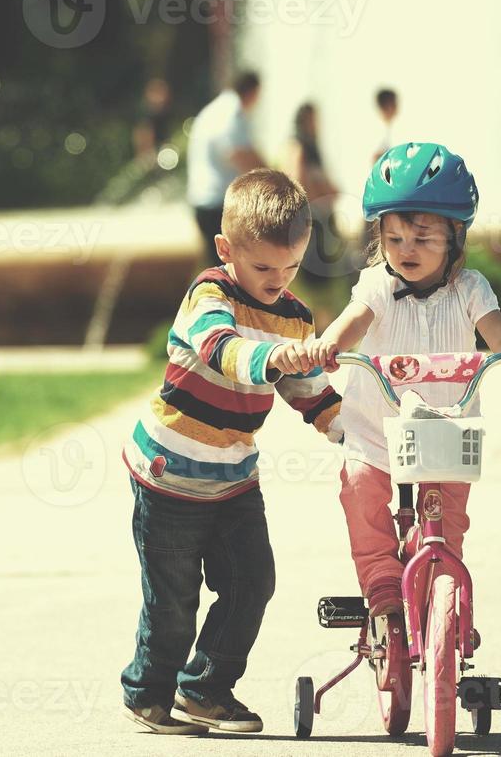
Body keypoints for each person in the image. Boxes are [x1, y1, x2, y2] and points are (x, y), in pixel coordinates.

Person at [296, 143, 501, 625]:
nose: (406, 250)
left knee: (448, 519)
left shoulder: (470, 289)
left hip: (445, 433)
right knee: (359, 487)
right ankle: (381, 585)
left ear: (455, 236)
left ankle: (442, 579)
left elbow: (500, 333)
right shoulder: (376, 284)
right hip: (376, 432)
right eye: (393, 239)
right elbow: (352, 322)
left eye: (421, 238)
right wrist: (326, 345)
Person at [122, 169, 345, 736]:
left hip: (233, 476)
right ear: (226, 250)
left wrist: (345, 426)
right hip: (169, 473)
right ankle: (148, 692)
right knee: (174, 599)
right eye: (264, 267)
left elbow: (309, 390)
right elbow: (221, 348)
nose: (277, 280)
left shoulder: (295, 317)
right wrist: (271, 361)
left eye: (290, 267)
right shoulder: (209, 294)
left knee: (252, 581)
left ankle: (205, 690)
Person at [186, 71, 265, 267]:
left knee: (221, 268)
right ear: (252, 92)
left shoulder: (215, 109)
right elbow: (238, 153)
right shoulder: (231, 112)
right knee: (230, 269)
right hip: (217, 204)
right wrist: (272, 179)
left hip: (205, 200)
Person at [283, 102, 346, 281]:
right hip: (312, 212)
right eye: (313, 119)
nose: (317, 123)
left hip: (320, 211)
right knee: (315, 266)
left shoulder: (311, 144)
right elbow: (296, 176)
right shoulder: (298, 143)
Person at [133, 77, 173, 163]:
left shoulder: (164, 114)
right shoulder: (144, 115)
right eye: (158, 93)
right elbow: (142, 143)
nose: (162, 97)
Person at [371, 87, 400, 165]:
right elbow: (375, 158)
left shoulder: (392, 127)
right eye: (394, 103)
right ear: (388, 106)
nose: (397, 107)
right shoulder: (376, 130)